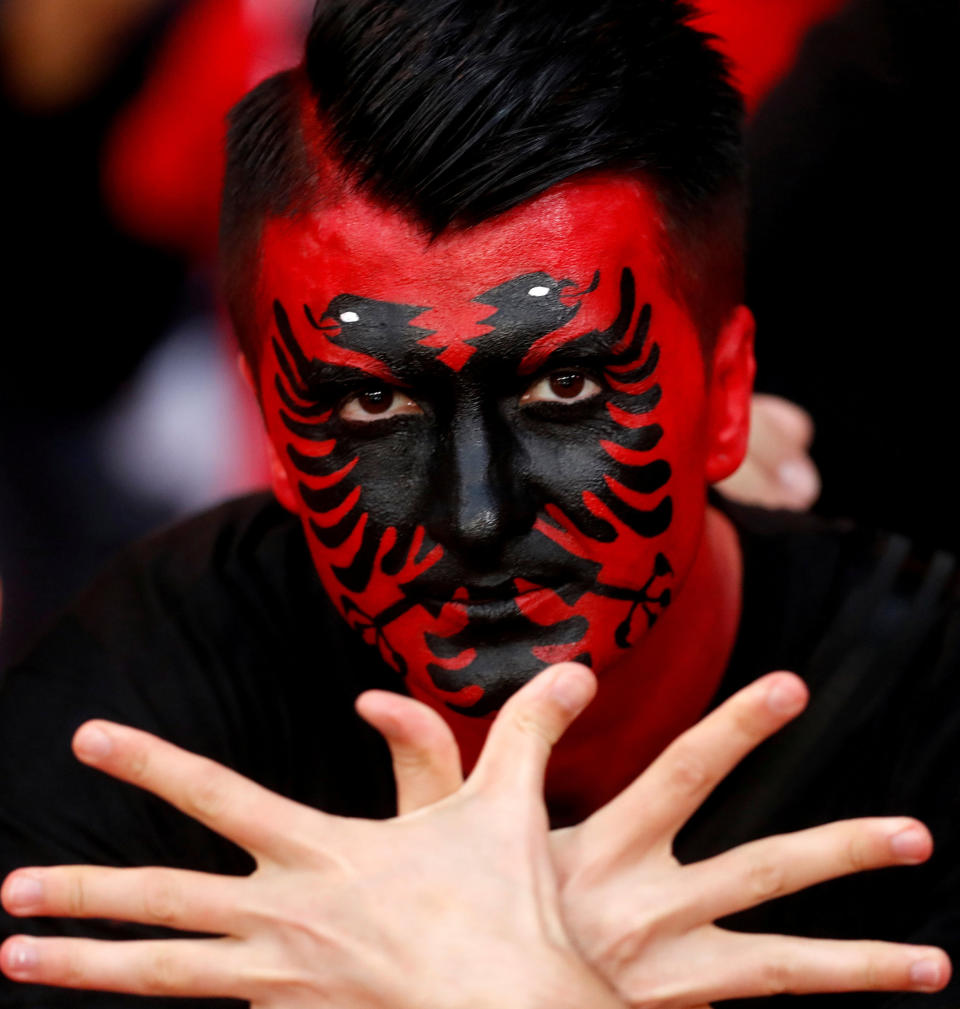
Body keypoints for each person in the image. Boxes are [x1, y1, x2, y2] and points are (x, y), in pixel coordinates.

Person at [0, 1, 956, 1005]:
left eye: (566, 391)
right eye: (376, 401)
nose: (477, 512)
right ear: (276, 433)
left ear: (727, 395)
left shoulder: (925, 717)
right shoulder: (145, 717)